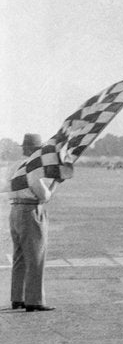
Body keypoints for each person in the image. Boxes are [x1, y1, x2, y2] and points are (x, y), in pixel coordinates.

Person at [8, 133, 72, 312]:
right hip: (31, 210)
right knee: (36, 257)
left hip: (14, 210)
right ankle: (34, 300)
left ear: (23, 148)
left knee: (19, 257)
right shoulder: (32, 168)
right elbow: (44, 196)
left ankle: (17, 297)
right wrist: (56, 183)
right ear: (36, 150)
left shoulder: (13, 166)